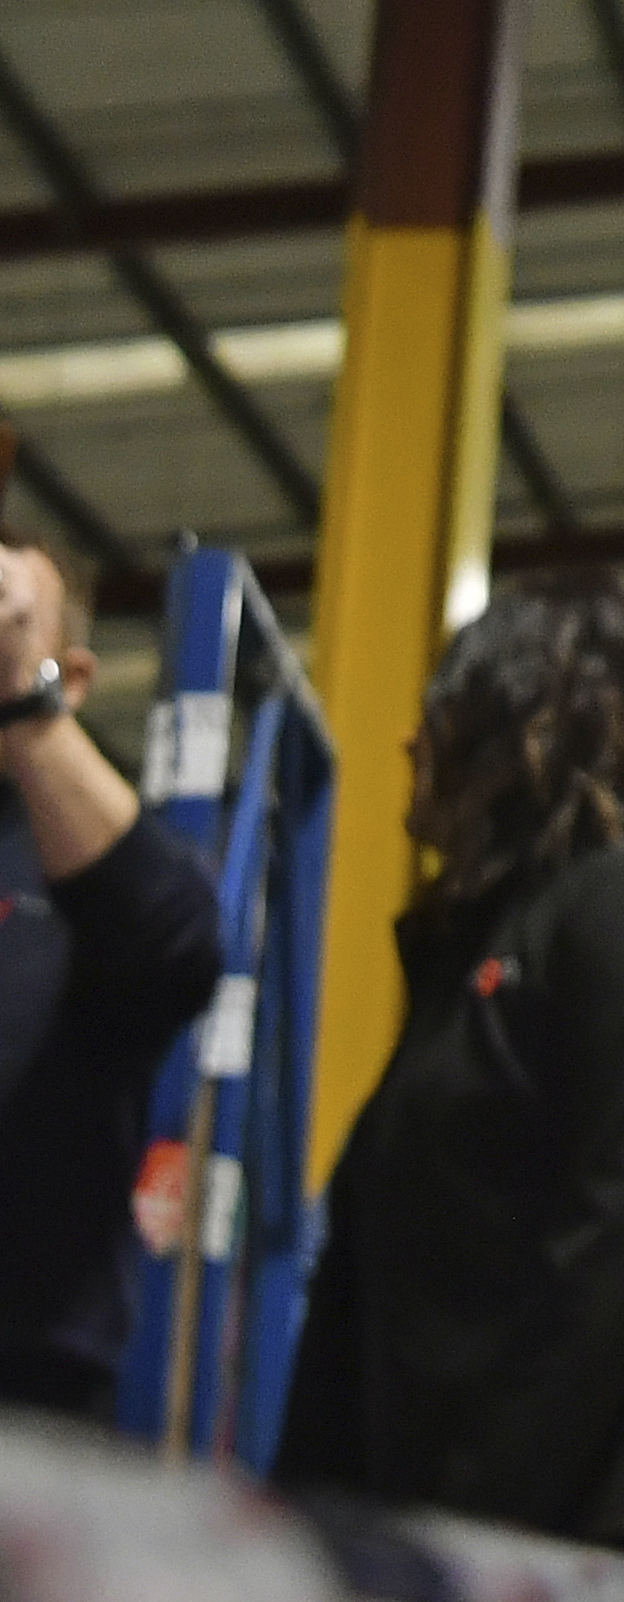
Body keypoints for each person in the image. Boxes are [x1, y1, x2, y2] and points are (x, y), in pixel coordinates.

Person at [276, 575, 624, 1576]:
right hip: (469, 1528)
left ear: (511, 716)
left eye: (438, 702)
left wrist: (475, 1507)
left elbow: (616, 1229)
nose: (408, 740)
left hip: (606, 1524)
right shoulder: (475, 953)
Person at [0, 536, 222, 1420]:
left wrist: (22, 700)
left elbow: (178, 943)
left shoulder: (80, 864)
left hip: (26, 1379)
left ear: (77, 680)